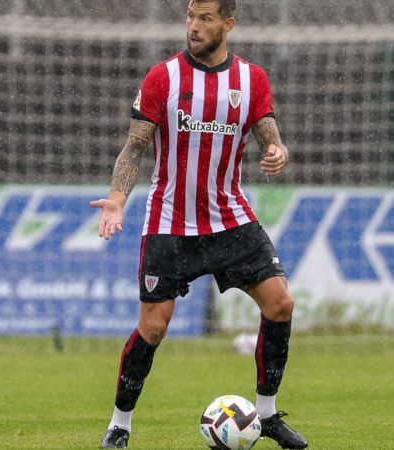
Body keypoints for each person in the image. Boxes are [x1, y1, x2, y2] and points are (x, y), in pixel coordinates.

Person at [90, 1, 308, 448]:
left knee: (281, 304)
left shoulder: (251, 80)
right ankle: (120, 424)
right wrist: (116, 200)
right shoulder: (163, 78)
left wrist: (278, 152)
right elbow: (134, 149)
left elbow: (269, 134)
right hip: (170, 222)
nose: (194, 26)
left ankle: (265, 416)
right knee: (153, 328)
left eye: (205, 18)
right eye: (190, 16)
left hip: (231, 219)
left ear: (228, 24)